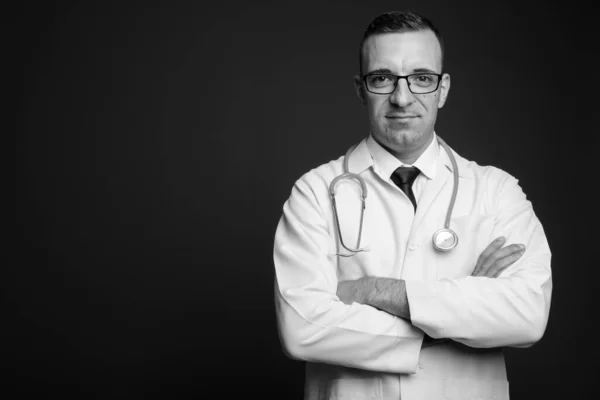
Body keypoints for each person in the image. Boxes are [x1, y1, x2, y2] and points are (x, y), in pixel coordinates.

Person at [273, 10, 552, 400]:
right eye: (382, 78)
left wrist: (376, 292)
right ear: (360, 89)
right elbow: (302, 327)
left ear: (443, 88)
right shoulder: (315, 192)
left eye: (422, 79)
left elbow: (527, 314)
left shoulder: (497, 191)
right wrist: (461, 313)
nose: (402, 98)